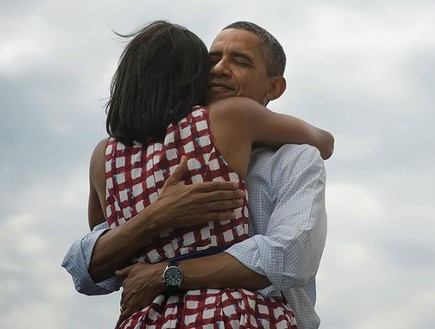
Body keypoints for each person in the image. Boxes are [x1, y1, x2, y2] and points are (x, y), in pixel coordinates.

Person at [63, 21, 332, 329]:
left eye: (240, 61)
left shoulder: (106, 156)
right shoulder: (224, 123)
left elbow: (290, 258)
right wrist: (158, 214)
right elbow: (94, 264)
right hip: (233, 314)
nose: (218, 69)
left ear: (274, 87)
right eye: (211, 60)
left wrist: (165, 272)